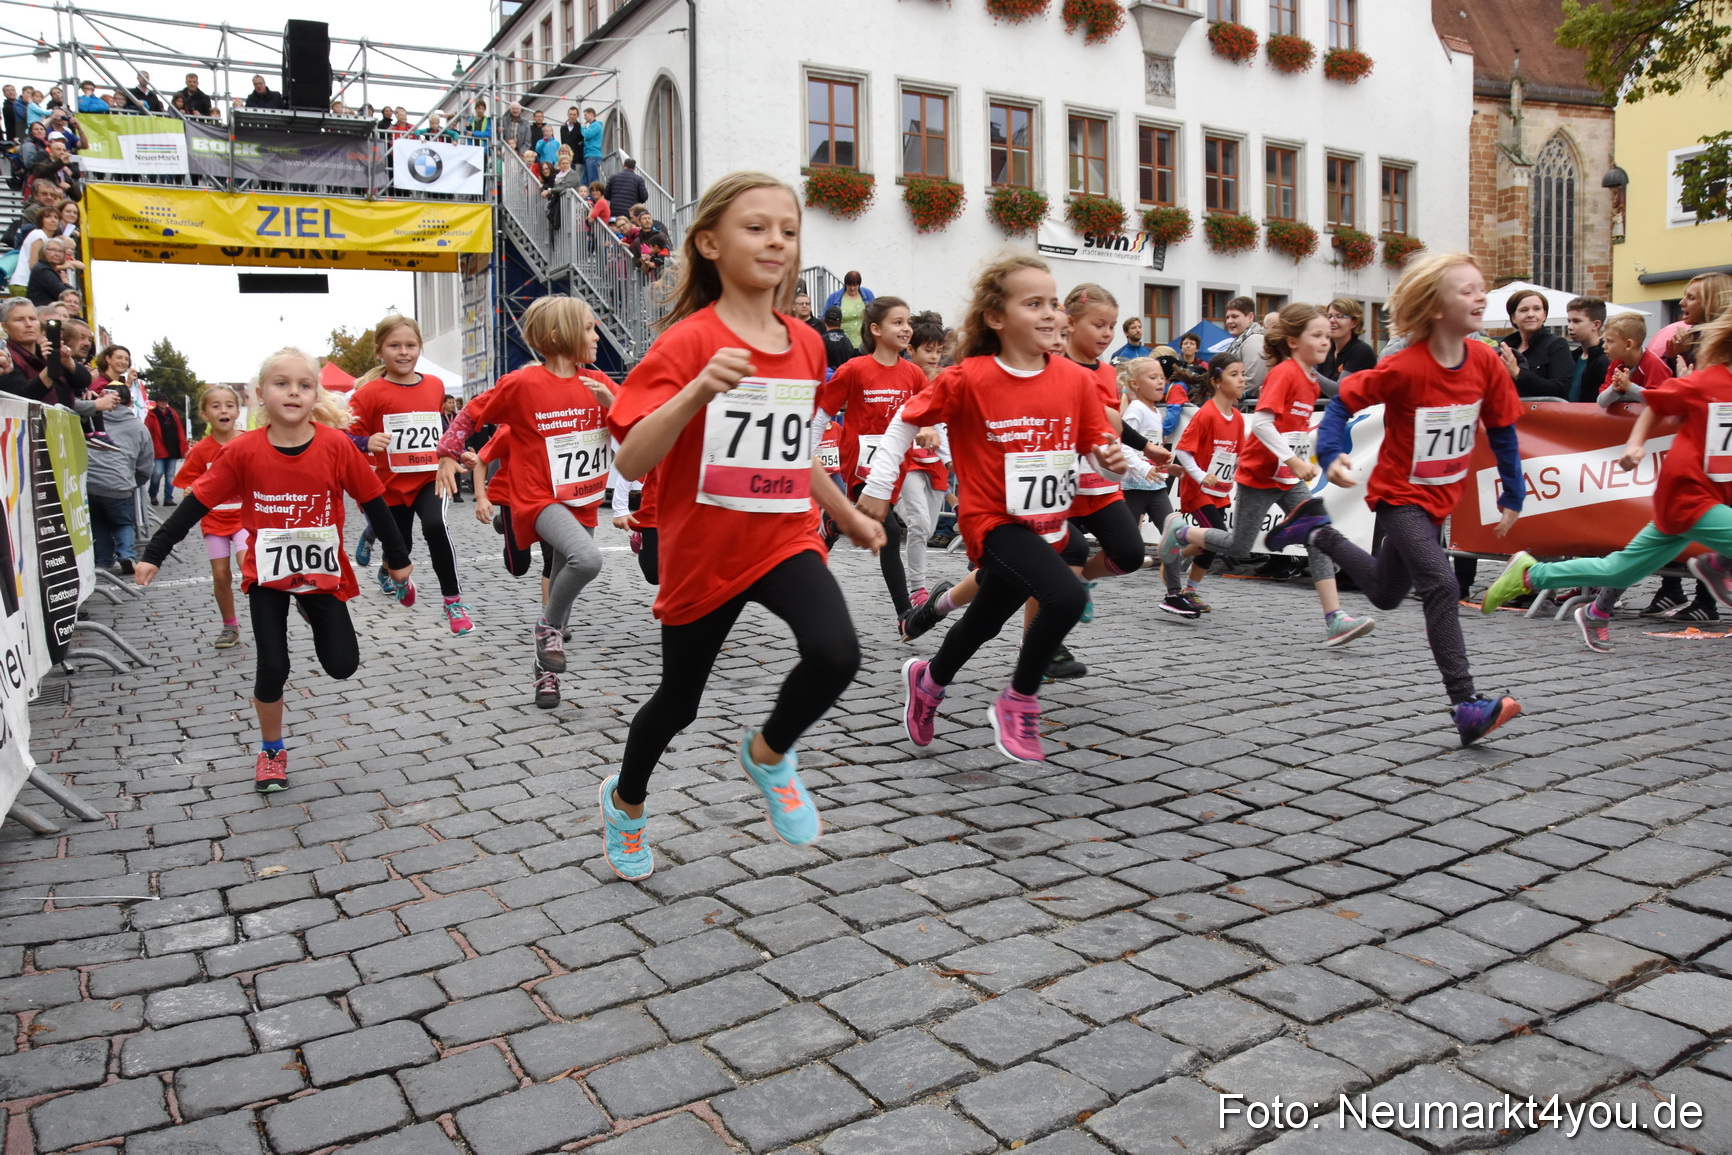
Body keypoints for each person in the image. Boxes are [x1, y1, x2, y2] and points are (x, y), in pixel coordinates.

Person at [602, 171, 885, 880]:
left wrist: (845, 510)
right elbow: (634, 455)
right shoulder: (686, 344)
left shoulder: (808, 343)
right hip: (703, 549)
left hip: (783, 534)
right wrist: (698, 388)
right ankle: (626, 802)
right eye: (756, 227)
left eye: (787, 231)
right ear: (708, 243)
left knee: (836, 652)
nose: (776, 242)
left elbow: (792, 450)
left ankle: (769, 752)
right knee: (678, 703)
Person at [860, 255, 1130, 763]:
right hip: (992, 523)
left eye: (1053, 302)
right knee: (1068, 598)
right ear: (996, 318)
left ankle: (928, 680)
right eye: (1034, 304)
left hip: (1043, 525)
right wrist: (878, 486)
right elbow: (904, 419)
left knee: (982, 622)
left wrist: (1116, 461)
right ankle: (1019, 699)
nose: (1050, 313)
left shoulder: (1074, 381)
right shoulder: (970, 377)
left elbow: (1098, 451)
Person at [1263, 252, 1525, 746]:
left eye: (1481, 287)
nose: (1480, 296)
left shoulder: (1487, 362)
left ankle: (1316, 531)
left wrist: (1514, 488)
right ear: (1435, 306)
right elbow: (1343, 402)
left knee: (1385, 593)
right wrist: (1334, 450)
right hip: (1401, 497)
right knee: (1443, 585)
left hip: (1440, 498)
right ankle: (1466, 704)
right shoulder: (1406, 366)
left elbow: (1505, 429)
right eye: (1466, 290)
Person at [136, 348, 413, 792]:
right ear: (260, 393)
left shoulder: (336, 445)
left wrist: (397, 559)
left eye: (305, 385)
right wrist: (155, 551)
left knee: (342, 665)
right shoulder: (244, 450)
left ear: (315, 394)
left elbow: (375, 503)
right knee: (273, 666)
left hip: (321, 575)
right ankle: (271, 751)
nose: (294, 392)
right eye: (282, 383)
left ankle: (308, 606)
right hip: (265, 575)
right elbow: (197, 503)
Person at [1482, 306, 1732, 645]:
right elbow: (1657, 403)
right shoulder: (1709, 380)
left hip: (1706, 497)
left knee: (1619, 569)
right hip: (1689, 494)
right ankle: (1718, 564)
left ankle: (1530, 574)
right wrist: (1634, 443)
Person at [1157, 303, 1376, 647]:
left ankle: (1335, 618)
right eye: (1316, 335)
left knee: (1317, 533)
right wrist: (1293, 458)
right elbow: (1261, 423)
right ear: (1292, 341)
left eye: (1326, 335)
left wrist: (1306, 458)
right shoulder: (1285, 374)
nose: (1325, 341)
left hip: (1288, 479)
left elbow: (1298, 427)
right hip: (1259, 475)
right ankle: (1181, 530)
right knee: (1239, 546)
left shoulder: (1310, 378)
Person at [437, 296, 614, 704]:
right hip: (539, 500)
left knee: (562, 583)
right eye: (588, 327)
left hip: (583, 500)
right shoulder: (523, 384)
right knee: (587, 560)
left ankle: (544, 672)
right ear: (557, 335)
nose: (596, 334)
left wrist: (613, 405)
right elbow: (470, 415)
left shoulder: (599, 383)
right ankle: (546, 631)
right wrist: (446, 454)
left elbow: (636, 422)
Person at [345, 314, 474, 634]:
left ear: (420, 348)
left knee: (435, 526)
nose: (403, 352)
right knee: (399, 547)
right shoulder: (369, 394)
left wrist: (459, 450)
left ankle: (453, 602)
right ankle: (395, 574)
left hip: (429, 478)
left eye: (410, 345)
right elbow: (342, 436)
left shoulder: (434, 385)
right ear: (379, 350)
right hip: (388, 486)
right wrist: (365, 441)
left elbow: (442, 427)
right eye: (394, 345)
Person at [816, 295, 929, 620]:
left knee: (878, 522)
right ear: (876, 329)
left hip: (894, 465)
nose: (906, 329)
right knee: (891, 532)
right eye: (898, 322)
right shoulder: (854, 369)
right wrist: (805, 456)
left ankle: (835, 522)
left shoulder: (914, 375)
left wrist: (936, 438)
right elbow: (823, 414)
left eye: (908, 322)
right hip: (860, 462)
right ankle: (905, 616)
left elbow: (931, 417)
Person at [1168, 352, 1248, 610]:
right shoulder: (1206, 414)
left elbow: (1239, 457)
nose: (1241, 380)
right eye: (1234, 375)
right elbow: (1182, 450)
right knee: (1217, 537)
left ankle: (1178, 557)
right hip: (1199, 490)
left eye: (1243, 374)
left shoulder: (1237, 417)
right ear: (1216, 381)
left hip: (1220, 491)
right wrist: (1202, 475)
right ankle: (1185, 584)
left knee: (1212, 542)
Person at [173, 385, 248, 647]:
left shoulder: (249, 441)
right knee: (220, 575)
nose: (223, 410)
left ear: (238, 411)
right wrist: (190, 489)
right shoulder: (201, 450)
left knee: (247, 565)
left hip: (245, 519)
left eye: (229, 405)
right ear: (205, 414)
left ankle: (268, 617)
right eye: (215, 406)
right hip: (214, 521)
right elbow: (187, 482)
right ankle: (230, 626)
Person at [1117, 357, 1188, 614]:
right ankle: (1079, 578)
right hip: (1133, 488)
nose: (1161, 381)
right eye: (1153, 377)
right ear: (1135, 384)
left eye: (1162, 377)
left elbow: (1149, 453)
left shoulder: (1156, 411)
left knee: (1173, 534)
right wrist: (1146, 469)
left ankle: (1174, 594)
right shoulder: (1135, 410)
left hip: (1155, 488)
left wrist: (1167, 468)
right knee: (1121, 548)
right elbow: (1123, 446)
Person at [897, 316, 950, 603]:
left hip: (936, 464)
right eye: (928, 350)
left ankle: (899, 505)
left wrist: (952, 461)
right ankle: (918, 588)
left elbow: (944, 425)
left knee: (926, 528)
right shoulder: (902, 377)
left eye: (938, 351)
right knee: (918, 523)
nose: (933, 356)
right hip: (908, 462)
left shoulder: (944, 379)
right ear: (911, 350)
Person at [87, 380, 153, 575]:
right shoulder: (138, 428)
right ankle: (126, 554)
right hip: (119, 483)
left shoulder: (90, 419)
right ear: (130, 403)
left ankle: (104, 560)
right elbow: (145, 465)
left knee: (98, 522)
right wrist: (133, 482)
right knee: (123, 522)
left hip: (90, 481)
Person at [1498, 288, 1573, 398]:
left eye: (1537, 309)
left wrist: (1518, 373)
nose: (1530, 314)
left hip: (1543, 414)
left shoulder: (1556, 345)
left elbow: (1560, 389)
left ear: (1544, 315)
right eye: (1524, 310)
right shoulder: (1505, 347)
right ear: (1513, 318)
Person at [1598, 311, 1672, 408]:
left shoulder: (1653, 364)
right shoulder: (1616, 364)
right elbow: (1601, 402)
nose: (1604, 346)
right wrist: (1613, 388)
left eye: (1610, 341)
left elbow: (1660, 401)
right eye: (1604, 341)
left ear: (1628, 344)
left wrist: (1629, 387)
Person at [1565, 296, 1610, 403]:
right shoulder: (1570, 357)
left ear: (1596, 324)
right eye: (1569, 321)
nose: (1570, 326)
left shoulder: (1607, 359)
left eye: (1576, 321)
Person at [1321, 297, 1377, 381]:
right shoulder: (1327, 347)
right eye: (1329, 316)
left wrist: (1310, 371)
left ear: (1354, 323)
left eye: (1339, 316)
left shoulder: (1361, 351)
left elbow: (1339, 390)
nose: (1332, 320)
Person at [1223, 297, 1269, 397]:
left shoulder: (1254, 340)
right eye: (1227, 317)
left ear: (1250, 317)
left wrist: (1228, 399)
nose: (1229, 321)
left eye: (1234, 316)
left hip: (1245, 409)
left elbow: (1252, 381)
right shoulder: (1241, 340)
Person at [146, 396, 186, 505]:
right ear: (157, 402)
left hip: (172, 449)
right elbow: (147, 433)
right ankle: (153, 494)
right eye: (161, 401)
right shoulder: (152, 415)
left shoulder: (172, 414)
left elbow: (180, 430)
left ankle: (168, 498)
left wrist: (183, 447)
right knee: (157, 473)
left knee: (170, 475)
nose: (163, 403)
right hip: (158, 449)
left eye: (165, 400)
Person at [824, 271, 874, 349]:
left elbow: (876, 314)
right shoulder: (834, 297)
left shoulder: (868, 294)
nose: (852, 288)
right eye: (849, 285)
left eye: (855, 285)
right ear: (845, 284)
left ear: (859, 285)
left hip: (863, 344)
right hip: (842, 344)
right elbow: (825, 318)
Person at [25, 236, 74, 307]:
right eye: (53, 250)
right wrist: (66, 283)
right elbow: (65, 295)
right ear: (44, 252)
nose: (57, 254)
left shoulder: (47, 268)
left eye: (60, 251)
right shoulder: (43, 270)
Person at [820, 305, 855, 371]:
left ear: (824, 320)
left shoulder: (821, 340)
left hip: (828, 379)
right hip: (844, 377)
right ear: (841, 321)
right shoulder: (847, 341)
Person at [579, 107, 604, 185]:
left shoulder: (596, 125)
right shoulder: (592, 126)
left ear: (591, 114)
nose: (584, 117)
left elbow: (587, 134)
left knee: (593, 179)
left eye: (586, 115)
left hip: (593, 154)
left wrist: (583, 127)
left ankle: (594, 196)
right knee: (584, 181)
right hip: (589, 155)